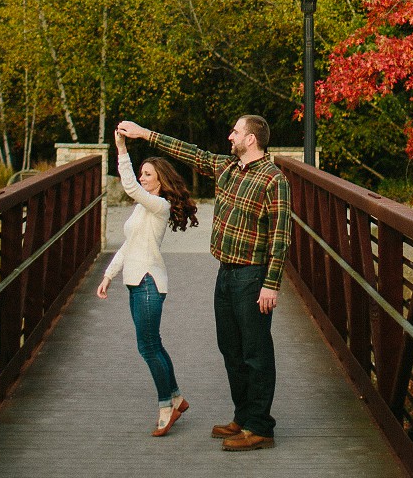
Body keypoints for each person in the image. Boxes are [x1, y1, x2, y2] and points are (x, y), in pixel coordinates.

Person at [117, 115, 289, 452]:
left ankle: (260, 428)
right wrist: (144, 134)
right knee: (230, 349)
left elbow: (281, 236)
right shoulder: (227, 168)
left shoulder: (273, 179)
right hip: (225, 272)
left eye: (236, 132)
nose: (230, 136)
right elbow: (188, 152)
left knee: (255, 352)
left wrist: (271, 284)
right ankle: (243, 417)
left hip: (253, 275)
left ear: (251, 139)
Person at [96, 125, 198, 435]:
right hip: (137, 283)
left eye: (148, 174)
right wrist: (109, 274)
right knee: (153, 345)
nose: (142, 178)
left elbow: (129, 187)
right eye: (141, 173)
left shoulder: (160, 206)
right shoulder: (144, 208)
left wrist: (123, 151)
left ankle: (166, 406)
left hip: (149, 283)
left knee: (148, 347)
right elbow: (128, 245)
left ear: (161, 180)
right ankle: (177, 397)